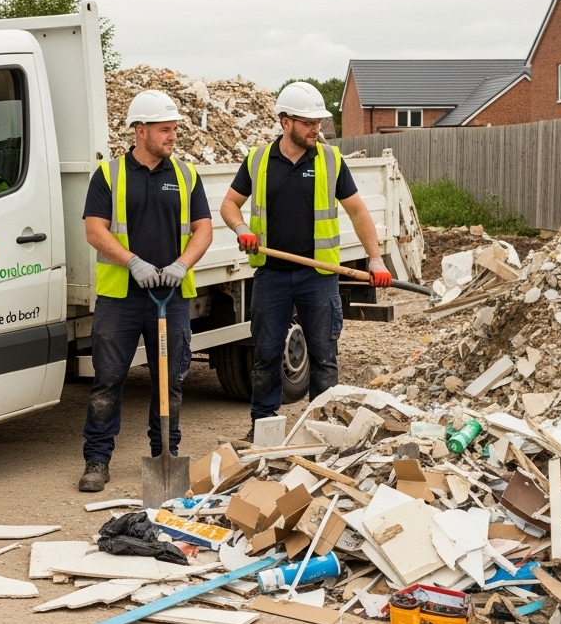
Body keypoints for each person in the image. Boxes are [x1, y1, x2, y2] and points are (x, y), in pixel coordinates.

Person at [219, 82, 392, 440]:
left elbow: (358, 211)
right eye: (309, 122)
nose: (317, 129)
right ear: (286, 122)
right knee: (266, 356)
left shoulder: (330, 160)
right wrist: (240, 230)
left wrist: (375, 259)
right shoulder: (258, 160)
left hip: (319, 276)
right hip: (272, 276)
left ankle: (321, 429)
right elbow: (229, 204)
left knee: (324, 358)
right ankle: (262, 428)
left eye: (319, 122)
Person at [78, 90, 213, 492]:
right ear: (141, 131)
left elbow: (203, 230)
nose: (173, 136)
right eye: (165, 129)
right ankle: (97, 460)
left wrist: (181, 264)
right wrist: (131, 261)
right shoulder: (109, 174)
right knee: (108, 381)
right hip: (121, 298)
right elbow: (94, 228)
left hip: (170, 298)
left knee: (169, 381)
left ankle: (164, 456)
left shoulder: (186, 176)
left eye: (174, 129)